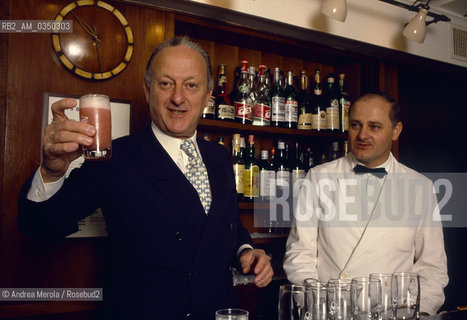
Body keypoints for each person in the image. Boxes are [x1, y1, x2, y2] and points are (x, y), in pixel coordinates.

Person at [17, 37, 273, 320]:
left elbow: (228, 226)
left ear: (208, 94)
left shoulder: (220, 157)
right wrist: (52, 171)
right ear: (148, 90)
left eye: (191, 85)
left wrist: (246, 251)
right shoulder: (116, 158)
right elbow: (39, 227)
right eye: (166, 83)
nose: (178, 97)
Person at [283, 92, 448, 315]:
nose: (362, 135)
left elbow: (432, 269)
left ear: (396, 131)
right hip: (331, 313)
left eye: (374, 127)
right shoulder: (318, 177)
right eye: (355, 125)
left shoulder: (421, 187)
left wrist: (420, 313)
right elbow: (299, 254)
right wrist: (320, 306)